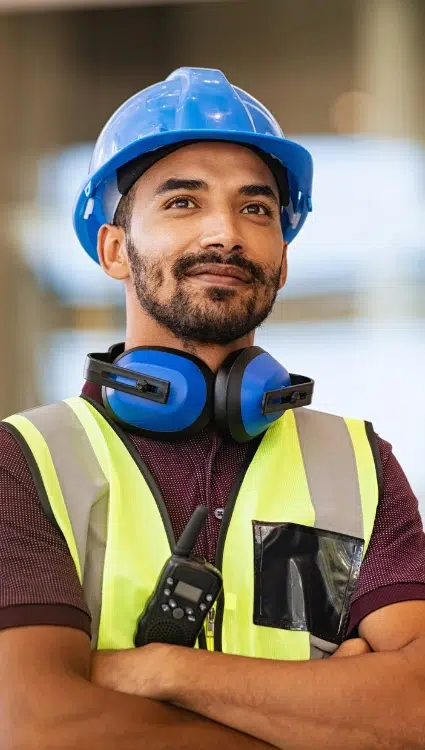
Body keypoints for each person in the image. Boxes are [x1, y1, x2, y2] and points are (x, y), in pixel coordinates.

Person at [1, 67, 424, 750]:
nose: (224, 233)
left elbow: (415, 711)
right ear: (115, 250)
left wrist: (162, 670)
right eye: (182, 204)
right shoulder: (24, 460)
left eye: (255, 209)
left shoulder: (358, 464)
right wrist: (327, 722)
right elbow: (37, 727)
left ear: (281, 260)